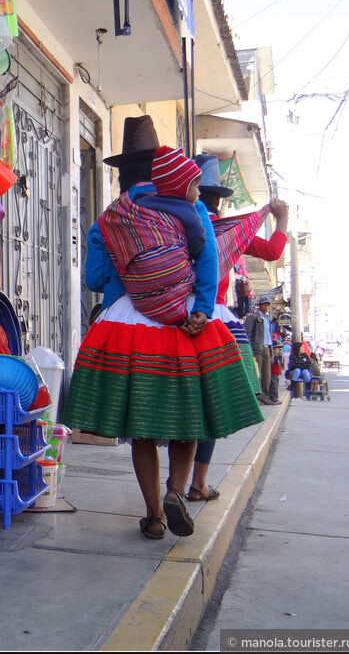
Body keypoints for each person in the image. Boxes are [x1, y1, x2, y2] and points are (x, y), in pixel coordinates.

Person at [64, 115, 263, 541]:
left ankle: (154, 515)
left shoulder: (110, 217)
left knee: (142, 424)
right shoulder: (189, 207)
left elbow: (95, 280)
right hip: (184, 322)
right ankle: (177, 489)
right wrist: (202, 310)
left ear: (122, 173)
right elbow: (209, 260)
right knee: (189, 418)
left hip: (127, 324)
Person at [185, 155, 290, 501]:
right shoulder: (230, 231)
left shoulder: (174, 225)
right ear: (219, 200)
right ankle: (197, 482)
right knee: (213, 400)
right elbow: (274, 251)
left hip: (174, 318)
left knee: (179, 399)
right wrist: (282, 218)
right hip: (213, 321)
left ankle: (169, 487)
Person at [98, 144, 206, 326]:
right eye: (196, 186)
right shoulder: (190, 210)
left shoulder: (132, 208)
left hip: (133, 301)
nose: (199, 192)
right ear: (182, 185)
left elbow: (95, 279)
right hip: (177, 302)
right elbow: (199, 247)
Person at [243, 296, 278, 405]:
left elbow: (269, 338)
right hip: (257, 349)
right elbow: (246, 334)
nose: (266, 306)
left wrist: (272, 354)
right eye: (264, 304)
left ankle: (265, 397)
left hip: (267, 348)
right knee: (256, 374)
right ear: (260, 305)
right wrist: (248, 350)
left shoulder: (268, 319)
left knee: (266, 375)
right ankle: (256, 398)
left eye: (268, 304)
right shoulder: (253, 317)